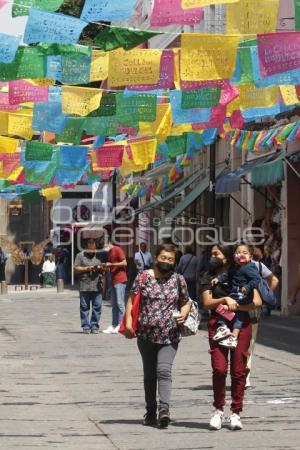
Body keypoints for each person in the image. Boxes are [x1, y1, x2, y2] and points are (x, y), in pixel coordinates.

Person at [123, 243, 191, 428]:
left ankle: (164, 409)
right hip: (145, 335)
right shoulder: (143, 277)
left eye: (170, 259)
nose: (167, 262)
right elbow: (132, 300)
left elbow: (186, 302)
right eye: (163, 258)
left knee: (163, 370)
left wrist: (184, 313)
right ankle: (150, 411)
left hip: (170, 336)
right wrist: (129, 323)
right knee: (149, 374)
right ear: (156, 257)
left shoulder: (179, 280)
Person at [201, 244, 262, 431]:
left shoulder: (245, 271)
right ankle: (218, 410)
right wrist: (223, 300)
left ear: (227, 257)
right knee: (219, 369)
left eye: (216, 254)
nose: (213, 257)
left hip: (241, 325)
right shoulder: (209, 276)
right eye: (212, 254)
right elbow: (206, 303)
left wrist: (235, 307)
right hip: (217, 325)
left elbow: (257, 302)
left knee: (238, 370)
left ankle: (236, 412)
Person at [212, 243, 261, 349]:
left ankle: (227, 330)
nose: (240, 255)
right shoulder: (234, 267)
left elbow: (257, 279)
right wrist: (219, 279)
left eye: (244, 253)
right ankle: (229, 332)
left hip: (243, 295)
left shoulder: (250, 267)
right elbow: (227, 275)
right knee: (236, 313)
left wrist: (247, 287)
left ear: (250, 257)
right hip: (235, 293)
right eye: (238, 253)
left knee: (228, 309)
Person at [74, 239, 105, 334]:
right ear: (86, 247)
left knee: (97, 307)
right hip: (84, 285)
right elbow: (76, 268)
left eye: (94, 249)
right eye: (90, 249)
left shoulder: (99, 255)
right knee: (84, 307)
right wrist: (88, 268)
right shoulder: (80, 255)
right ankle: (86, 326)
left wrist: (101, 268)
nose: (92, 251)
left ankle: (95, 326)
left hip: (97, 286)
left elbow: (105, 268)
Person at [103, 237, 128, 334]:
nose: (104, 247)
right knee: (114, 304)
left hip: (120, 279)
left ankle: (121, 325)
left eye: (104, 245)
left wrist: (112, 264)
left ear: (108, 242)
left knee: (120, 303)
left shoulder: (117, 249)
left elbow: (124, 263)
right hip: (112, 280)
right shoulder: (109, 252)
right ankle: (114, 324)